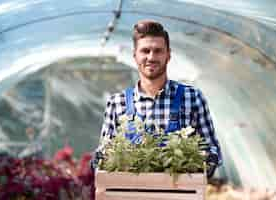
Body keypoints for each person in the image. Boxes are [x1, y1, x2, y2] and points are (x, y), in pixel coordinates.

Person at [92, 19, 222, 177]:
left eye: (158, 51)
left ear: (168, 55)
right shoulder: (117, 103)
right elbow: (103, 154)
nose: (151, 57)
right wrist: (103, 160)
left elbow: (211, 150)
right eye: (145, 51)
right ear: (135, 55)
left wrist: (199, 163)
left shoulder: (192, 98)